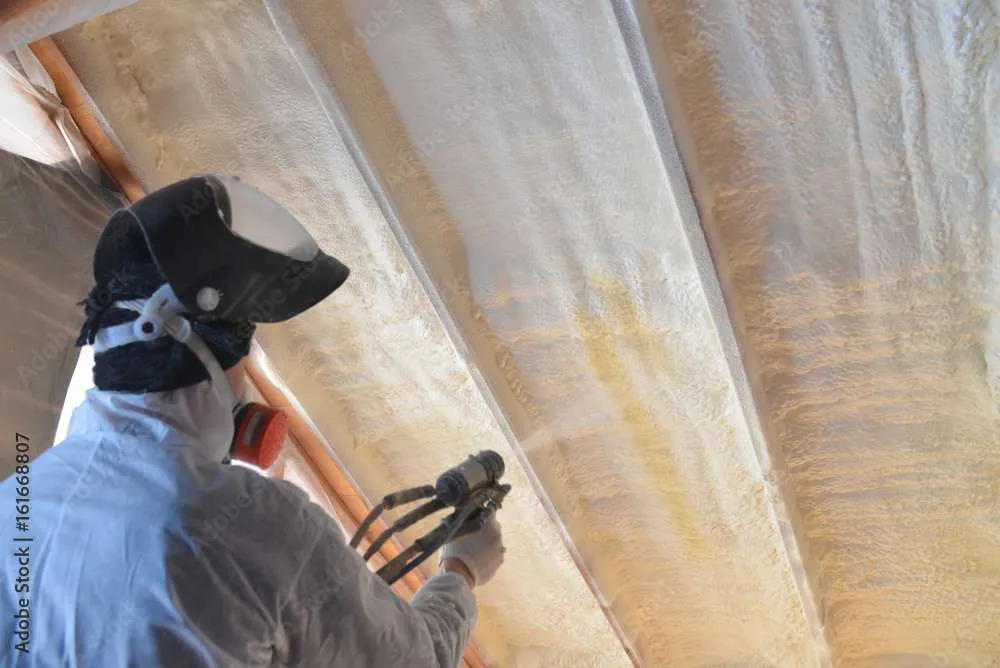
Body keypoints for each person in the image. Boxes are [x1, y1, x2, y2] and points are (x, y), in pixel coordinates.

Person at [0, 175, 505, 667]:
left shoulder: (20, 497)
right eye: (246, 353)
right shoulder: (260, 524)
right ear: (208, 357)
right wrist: (461, 571)